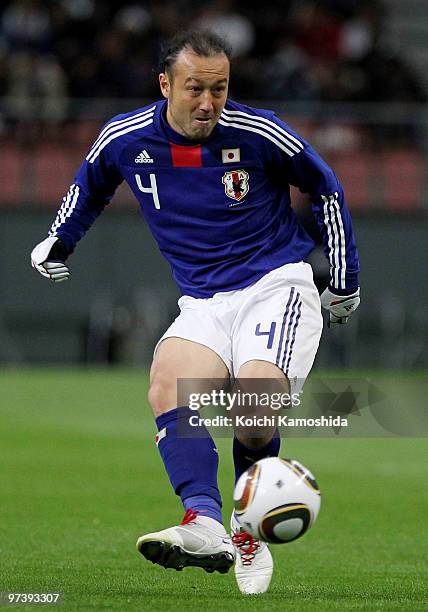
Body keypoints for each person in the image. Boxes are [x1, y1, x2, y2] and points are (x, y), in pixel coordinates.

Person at [30, 30, 360, 595]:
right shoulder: (125, 138)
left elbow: (326, 188)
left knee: (253, 409)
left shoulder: (258, 132)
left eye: (220, 89)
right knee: (166, 386)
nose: (209, 103)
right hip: (203, 301)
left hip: (275, 284)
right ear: (165, 85)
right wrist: (59, 239)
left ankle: (247, 525)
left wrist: (345, 279)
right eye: (195, 89)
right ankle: (205, 521)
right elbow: (90, 187)